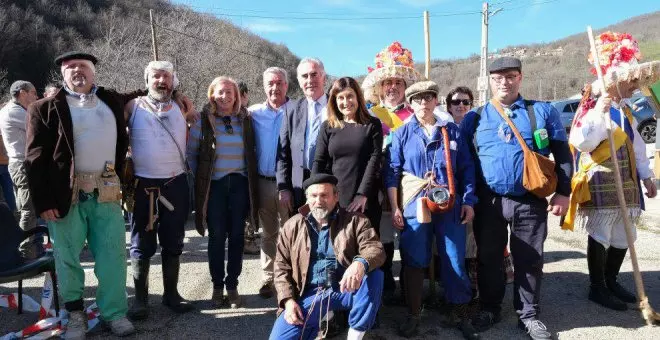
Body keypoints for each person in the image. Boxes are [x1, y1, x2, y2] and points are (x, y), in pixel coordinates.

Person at [24, 51, 141, 339]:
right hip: (65, 194)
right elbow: (34, 158)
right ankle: (74, 314)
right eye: (71, 67)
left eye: (83, 67)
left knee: (113, 255)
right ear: (62, 75)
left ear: (93, 73)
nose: (78, 71)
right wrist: (44, 201)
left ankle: (114, 313)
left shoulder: (111, 100)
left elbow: (145, 92)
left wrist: (173, 92)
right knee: (67, 258)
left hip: (107, 189)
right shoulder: (44, 108)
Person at [460, 57, 573, 340]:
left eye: (510, 76)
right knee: (488, 258)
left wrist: (564, 192)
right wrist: (468, 199)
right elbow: (465, 163)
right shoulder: (475, 117)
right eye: (497, 78)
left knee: (529, 259)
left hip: (530, 199)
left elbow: (562, 154)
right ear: (489, 81)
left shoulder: (542, 112)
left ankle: (529, 315)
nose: (504, 83)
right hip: (489, 202)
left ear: (520, 77)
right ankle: (489, 307)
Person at [562, 31, 657, 311]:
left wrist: (647, 175)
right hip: (601, 176)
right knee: (602, 233)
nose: (635, 85)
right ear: (616, 81)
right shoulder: (593, 105)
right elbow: (581, 142)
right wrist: (598, 113)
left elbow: (637, 146)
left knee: (625, 234)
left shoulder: (626, 109)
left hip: (626, 179)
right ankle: (597, 287)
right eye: (631, 80)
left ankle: (611, 279)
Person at [386, 81, 479, 339]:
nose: (423, 103)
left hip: (449, 204)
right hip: (415, 202)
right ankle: (414, 313)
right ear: (410, 103)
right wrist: (395, 207)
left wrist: (469, 201)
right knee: (415, 258)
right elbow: (392, 172)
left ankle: (460, 312)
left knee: (453, 257)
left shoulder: (451, 131)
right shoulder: (403, 133)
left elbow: (467, 169)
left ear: (436, 100)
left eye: (428, 97)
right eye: (417, 99)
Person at [269, 174, 385, 340]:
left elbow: (375, 248)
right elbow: (281, 268)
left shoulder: (355, 221)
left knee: (374, 276)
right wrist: (287, 301)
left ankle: (355, 335)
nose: (318, 201)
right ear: (307, 198)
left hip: (345, 288)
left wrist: (359, 263)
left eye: (324, 195)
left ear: (336, 196)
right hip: (309, 292)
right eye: (314, 196)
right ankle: (322, 319)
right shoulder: (291, 226)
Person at [124, 61, 194, 320]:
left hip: (175, 184)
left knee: (174, 240)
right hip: (143, 184)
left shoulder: (182, 105)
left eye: (166, 76)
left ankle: (171, 295)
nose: (161, 80)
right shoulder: (133, 106)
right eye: (156, 76)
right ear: (147, 79)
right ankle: (140, 300)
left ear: (173, 80)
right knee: (141, 243)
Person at [187, 76, 258, 309]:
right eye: (220, 92)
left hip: (239, 184)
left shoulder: (245, 120)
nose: (225, 96)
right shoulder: (203, 121)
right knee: (217, 238)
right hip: (215, 187)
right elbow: (192, 154)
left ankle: (233, 286)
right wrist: (202, 181)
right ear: (212, 94)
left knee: (237, 237)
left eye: (230, 92)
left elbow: (251, 150)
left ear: (237, 96)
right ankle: (217, 287)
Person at [361, 42, 422, 301]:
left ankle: (411, 284)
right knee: (382, 232)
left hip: (408, 183)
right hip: (377, 183)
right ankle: (384, 278)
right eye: (388, 83)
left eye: (398, 82)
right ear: (380, 87)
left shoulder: (417, 114)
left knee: (411, 233)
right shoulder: (370, 114)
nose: (393, 87)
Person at [312, 77, 383, 234]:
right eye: (341, 98)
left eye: (350, 96)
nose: (346, 102)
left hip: (365, 198)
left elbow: (374, 161)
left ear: (358, 96)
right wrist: (313, 194)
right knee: (338, 247)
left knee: (365, 248)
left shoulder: (372, 125)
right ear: (334, 101)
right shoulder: (328, 127)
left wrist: (362, 194)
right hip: (334, 198)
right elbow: (319, 161)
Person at [249, 67, 292, 299]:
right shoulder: (253, 113)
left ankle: (290, 275)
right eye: (270, 83)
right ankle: (268, 277)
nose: (275, 88)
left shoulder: (297, 110)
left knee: (292, 231)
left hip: (290, 184)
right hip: (263, 181)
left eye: (279, 83)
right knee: (268, 233)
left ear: (287, 85)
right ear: (264, 86)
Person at [276, 57, 328, 213]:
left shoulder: (337, 106)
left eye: (314, 74)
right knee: (302, 233)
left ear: (323, 77)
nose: (310, 80)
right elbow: (282, 153)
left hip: (329, 180)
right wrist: (284, 188)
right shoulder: (291, 110)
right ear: (299, 81)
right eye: (305, 76)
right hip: (299, 183)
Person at [0, 80, 40, 258]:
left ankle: (32, 246)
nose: (36, 96)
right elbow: (40, 126)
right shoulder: (13, 111)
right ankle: (25, 250)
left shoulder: (16, 109)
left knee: (28, 208)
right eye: (33, 93)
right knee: (28, 210)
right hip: (22, 165)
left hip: (23, 165)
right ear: (23, 93)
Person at [239, 80, 260, 256]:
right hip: (239, 170)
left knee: (250, 207)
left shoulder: (251, 115)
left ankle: (248, 239)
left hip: (252, 170)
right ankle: (246, 240)